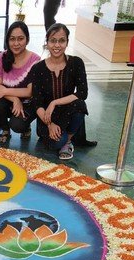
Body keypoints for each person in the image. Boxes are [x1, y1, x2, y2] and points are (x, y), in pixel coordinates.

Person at [30, 23, 92, 160]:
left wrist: (54, 102)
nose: (57, 45)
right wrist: (49, 124)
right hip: (46, 116)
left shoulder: (76, 63)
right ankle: (60, 138)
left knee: (80, 104)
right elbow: (37, 102)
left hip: (68, 112)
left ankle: (68, 141)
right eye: (53, 40)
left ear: (67, 42)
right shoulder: (38, 68)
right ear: (47, 42)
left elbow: (82, 93)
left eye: (62, 40)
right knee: (56, 143)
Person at [0, 21, 40, 145]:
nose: (16, 43)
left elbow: (29, 91)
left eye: (20, 39)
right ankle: (5, 130)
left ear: (27, 39)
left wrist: (5, 91)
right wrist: (15, 99)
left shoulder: (35, 60)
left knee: (17, 125)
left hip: (28, 102)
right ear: (7, 40)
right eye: (12, 39)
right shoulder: (1, 57)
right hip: (9, 100)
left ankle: (26, 127)